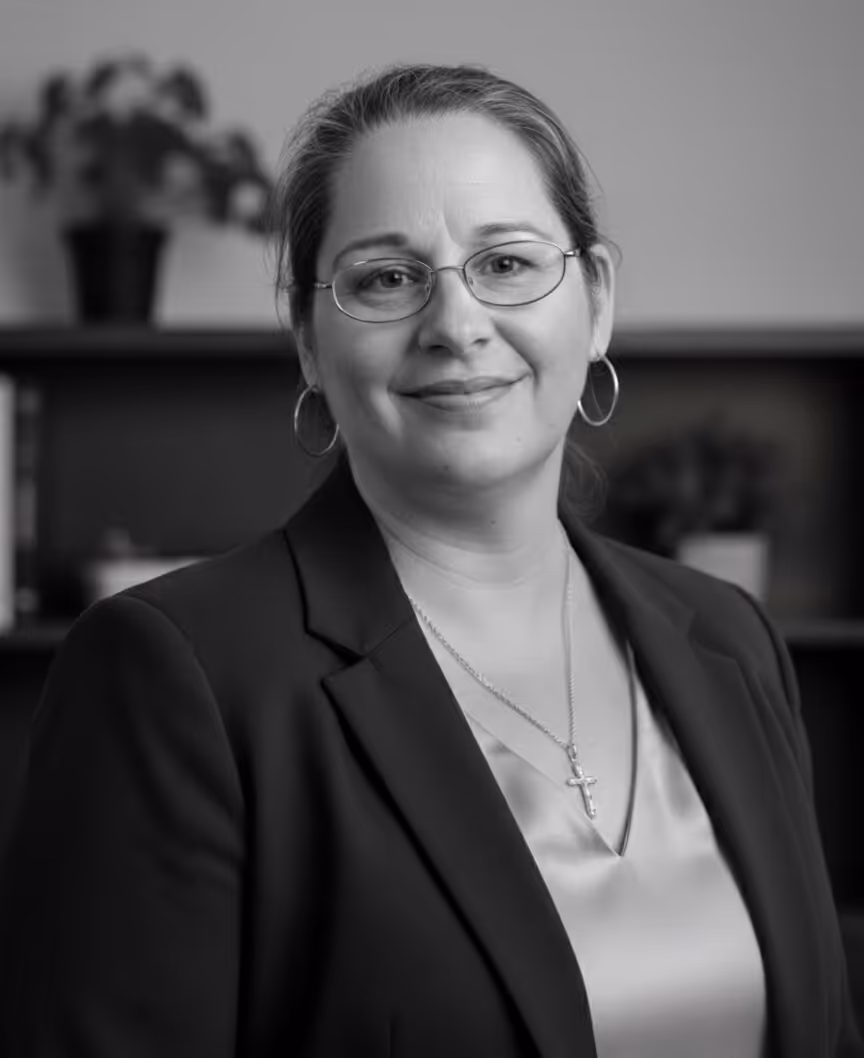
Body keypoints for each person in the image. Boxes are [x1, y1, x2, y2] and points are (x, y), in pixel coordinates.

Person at [0, 62, 860, 1058]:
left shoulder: (729, 635)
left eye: (505, 263)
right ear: (310, 341)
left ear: (597, 301)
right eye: (387, 277)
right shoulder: (172, 673)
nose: (456, 326)